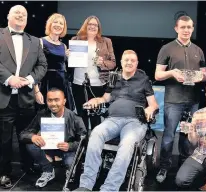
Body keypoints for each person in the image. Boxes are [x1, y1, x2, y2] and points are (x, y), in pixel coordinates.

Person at [74, 50, 158, 191]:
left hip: (135, 122)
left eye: (132, 60)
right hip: (112, 120)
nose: (129, 62)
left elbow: (153, 104)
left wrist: (149, 109)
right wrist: (96, 100)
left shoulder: (143, 80)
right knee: (95, 133)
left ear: (137, 63)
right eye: (126, 60)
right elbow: (105, 98)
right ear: (121, 62)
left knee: (127, 144)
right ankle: (85, 185)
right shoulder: (114, 78)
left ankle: (109, 188)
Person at [155, 15, 206, 183]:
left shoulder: (198, 50)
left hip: (193, 101)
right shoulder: (167, 48)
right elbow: (157, 74)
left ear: (192, 29)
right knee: (169, 136)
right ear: (176, 28)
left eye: (189, 27)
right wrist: (172, 73)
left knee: (188, 136)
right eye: (183, 27)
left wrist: (201, 77)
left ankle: (184, 167)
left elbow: (205, 75)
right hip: (173, 101)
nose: (186, 30)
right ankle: (164, 167)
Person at [0, 5, 47, 188]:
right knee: (3, 139)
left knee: (25, 135)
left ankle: (28, 167)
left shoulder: (35, 41)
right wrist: (9, 78)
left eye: (24, 14)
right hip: (3, 97)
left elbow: (42, 66)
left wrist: (28, 79)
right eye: (17, 13)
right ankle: (3, 172)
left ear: (27, 20)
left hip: (26, 97)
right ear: (8, 16)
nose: (20, 16)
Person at [20, 88, 86, 188]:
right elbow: (23, 134)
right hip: (48, 147)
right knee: (31, 145)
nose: (53, 103)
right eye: (50, 100)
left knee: (70, 164)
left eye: (56, 100)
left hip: (67, 150)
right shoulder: (42, 114)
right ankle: (48, 170)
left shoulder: (75, 118)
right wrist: (32, 137)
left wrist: (70, 146)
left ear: (64, 101)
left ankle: (69, 168)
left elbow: (84, 141)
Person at [71, 15, 116, 130]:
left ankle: (95, 140)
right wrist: (68, 56)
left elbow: (113, 63)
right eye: (90, 24)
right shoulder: (76, 40)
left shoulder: (106, 41)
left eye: (95, 25)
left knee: (95, 114)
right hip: (78, 83)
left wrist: (103, 63)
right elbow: (70, 62)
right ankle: (83, 140)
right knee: (81, 113)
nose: (92, 27)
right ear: (85, 26)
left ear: (98, 28)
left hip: (97, 83)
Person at [34, 13, 75, 111]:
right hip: (45, 83)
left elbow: (65, 67)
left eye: (61, 23)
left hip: (62, 83)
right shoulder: (40, 41)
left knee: (61, 115)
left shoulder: (64, 46)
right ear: (50, 24)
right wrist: (36, 91)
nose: (58, 25)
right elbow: (34, 67)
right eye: (55, 22)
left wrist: (69, 58)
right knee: (44, 114)